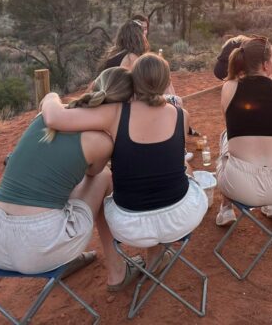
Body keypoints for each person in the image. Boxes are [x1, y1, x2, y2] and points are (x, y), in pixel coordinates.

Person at [42, 56, 208, 287]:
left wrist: (50, 97)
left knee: (102, 181)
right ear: (168, 82)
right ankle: (157, 256)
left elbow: (53, 117)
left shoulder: (117, 113)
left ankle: (116, 268)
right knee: (181, 168)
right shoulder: (181, 115)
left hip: (130, 226)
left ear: (134, 81)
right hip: (181, 219)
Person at [0, 68, 139, 290]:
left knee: (55, 184)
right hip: (41, 245)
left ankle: (69, 258)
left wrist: (52, 97)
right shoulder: (101, 142)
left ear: (92, 86)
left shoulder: (44, 117)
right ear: (126, 104)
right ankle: (117, 271)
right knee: (103, 177)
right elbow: (91, 176)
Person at [214, 36, 272, 226]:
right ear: (265, 65)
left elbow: (232, 123)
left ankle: (226, 209)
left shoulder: (229, 87)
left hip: (239, 186)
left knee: (226, 136)